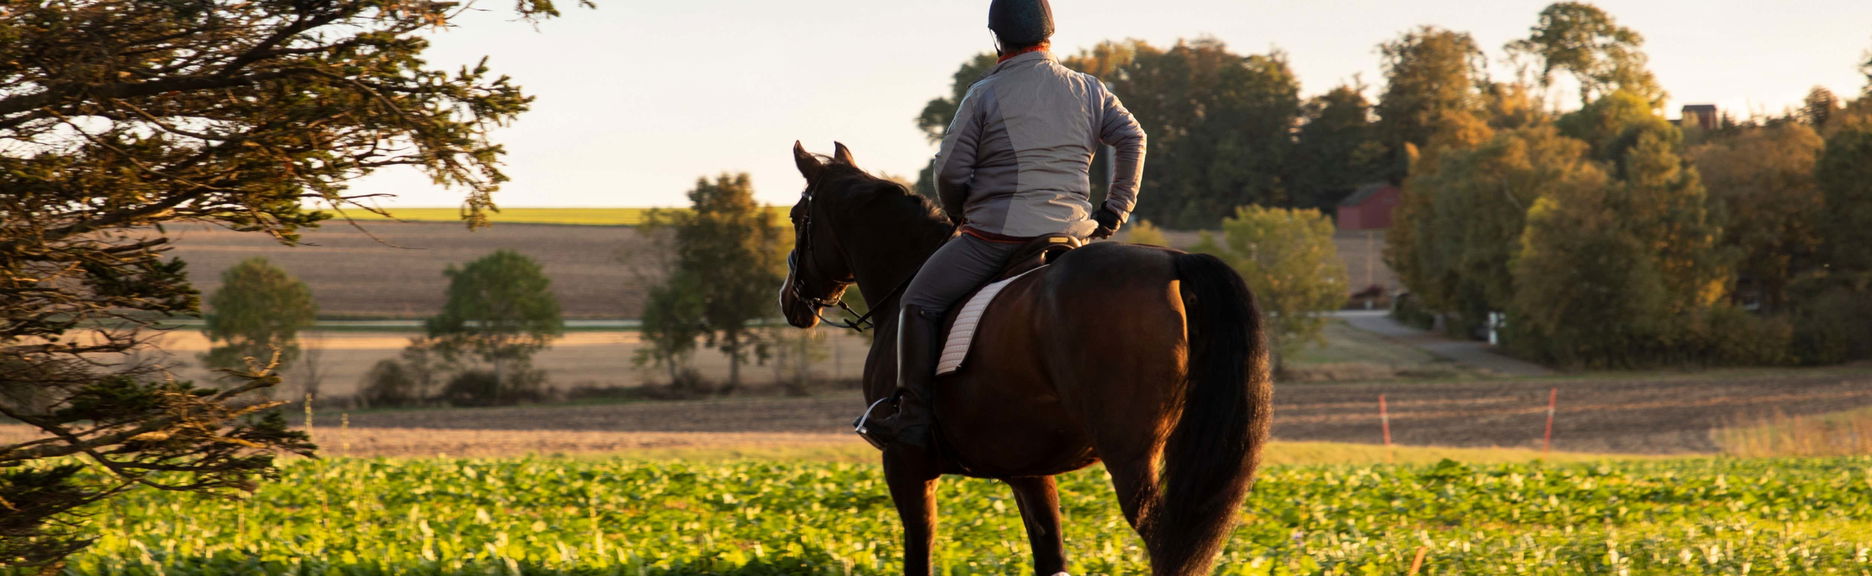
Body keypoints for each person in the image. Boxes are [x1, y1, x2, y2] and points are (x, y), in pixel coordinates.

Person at [858, 0, 1147, 450]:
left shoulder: (984, 93)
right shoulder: (1090, 89)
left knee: (917, 302)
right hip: (1073, 234)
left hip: (996, 238)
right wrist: (1115, 209)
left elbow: (950, 172)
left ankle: (913, 415)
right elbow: (1133, 137)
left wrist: (959, 215)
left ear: (997, 38)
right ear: (1050, 32)